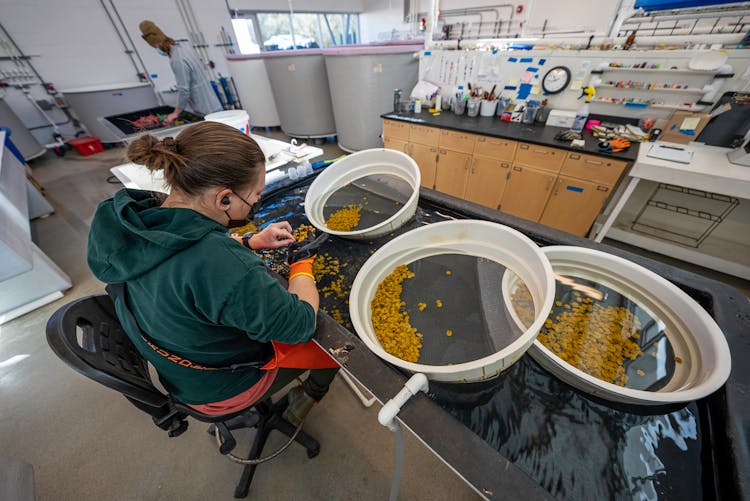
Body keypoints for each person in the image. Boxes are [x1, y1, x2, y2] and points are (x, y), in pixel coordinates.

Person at [87, 121, 339, 426]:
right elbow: (300, 324)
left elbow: (178, 245)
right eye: (254, 199)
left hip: (178, 368)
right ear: (224, 199)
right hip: (221, 389)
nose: (255, 205)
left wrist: (248, 241)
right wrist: (300, 265)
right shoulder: (225, 267)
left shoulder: (134, 219)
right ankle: (308, 395)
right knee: (335, 348)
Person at [139, 20, 223, 124]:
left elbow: (184, 90)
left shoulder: (177, 60)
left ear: (157, 44)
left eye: (155, 47)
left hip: (207, 112)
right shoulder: (183, 48)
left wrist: (175, 113)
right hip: (214, 105)